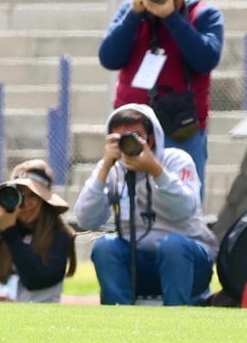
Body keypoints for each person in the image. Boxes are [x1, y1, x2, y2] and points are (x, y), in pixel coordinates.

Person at [98, 0, 223, 198]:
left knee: (185, 205)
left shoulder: (204, 15)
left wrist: (172, 18)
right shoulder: (130, 12)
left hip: (182, 128)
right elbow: (109, 58)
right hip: (133, 129)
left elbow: (205, 60)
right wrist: (134, 15)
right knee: (129, 203)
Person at [74, 104, 217, 306]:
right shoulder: (111, 168)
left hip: (188, 261)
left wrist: (156, 171)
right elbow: (86, 219)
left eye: (134, 136)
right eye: (119, 139)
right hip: (137, 262)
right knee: (104, 246)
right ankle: (119, 320)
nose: (128, 143)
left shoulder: (176, 160)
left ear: (151, 138)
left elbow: (185, 211)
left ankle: (177, 320)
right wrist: (105, 166)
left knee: (173, 245)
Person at [0, 159, 77, 303]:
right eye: (19, 196)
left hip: (37, 319)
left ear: (44, 200)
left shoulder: (60, 234)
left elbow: (37, 279)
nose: (25, 204)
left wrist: (10, 233)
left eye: (33, 196)